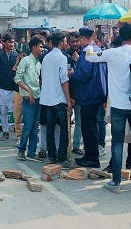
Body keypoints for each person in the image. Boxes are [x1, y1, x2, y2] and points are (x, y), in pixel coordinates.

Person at [85, 23, 131, 195]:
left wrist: (90, 43)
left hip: (117, 106)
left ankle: (116, 182)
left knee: (116, 143)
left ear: (119, 36)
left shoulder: (112, 53)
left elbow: (89, 57)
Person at [70, 27, 107, 168]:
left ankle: (92, 158)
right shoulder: (98, 50)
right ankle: (90, 155)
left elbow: (84, 74)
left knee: (89, 128)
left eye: (80, 39)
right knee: (91, 127)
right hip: (97, 94)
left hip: (88, 95)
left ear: (84, 39)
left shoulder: (87, 52)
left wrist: (71, 74)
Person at [40, 32, 72, 168]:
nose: (66, 44)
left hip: (47, 98)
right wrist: (69, 100)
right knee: (64, 128)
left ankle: (52, 156)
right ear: (60, 43)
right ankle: (62, 157)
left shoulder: (46, 57)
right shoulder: (62, 57)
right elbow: (64, 80)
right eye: (65, 41)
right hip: (59, 98)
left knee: (50, 128)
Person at [14, 36, 44, 162]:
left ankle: (31, 152)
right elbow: (17, 78)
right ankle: (21, 150)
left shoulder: (39, 63)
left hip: (38, 98)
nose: (42, 48)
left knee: (34, 128)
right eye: (40, 46)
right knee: (27, 126)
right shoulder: (25, 60)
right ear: (34, 47)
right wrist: (28, 91)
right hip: (28, 99)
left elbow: (38, 80)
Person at [0, 34, 19, 141]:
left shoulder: (17, 56)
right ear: (3, 43)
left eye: (12, 42)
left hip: (14, 88)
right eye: (9, 42)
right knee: (3, 112)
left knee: (16, 112)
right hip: (2, 88)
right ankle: (5, 132)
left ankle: (18, 132)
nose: (11, 44)